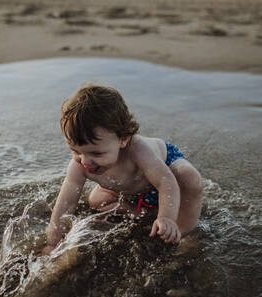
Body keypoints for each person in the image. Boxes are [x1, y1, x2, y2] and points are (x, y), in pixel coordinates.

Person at [42, 84, 203, 255]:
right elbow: (65, 205)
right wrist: (52, 244)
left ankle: (185, 232)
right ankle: (143, 210)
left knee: (189, 178)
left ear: (123, 139)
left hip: (167, 175)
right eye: (75, 151)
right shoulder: (80, 164)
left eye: (96, 153)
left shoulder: (138, 150)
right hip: (131, 190)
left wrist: (166, 218)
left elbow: (166, 181)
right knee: (96, 201)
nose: (85, 161)